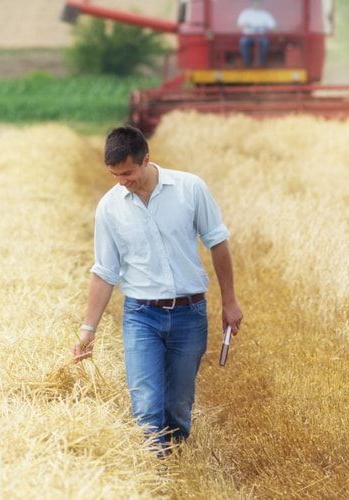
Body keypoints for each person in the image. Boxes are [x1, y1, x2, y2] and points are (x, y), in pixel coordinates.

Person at [72, 125, 243, 453]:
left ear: (147, 160)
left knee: (178, 407)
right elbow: (104, 272)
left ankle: (176, 461)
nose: (122, 181)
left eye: (128, 173)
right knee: (147, 407)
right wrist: (87, 330)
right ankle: (155, 470)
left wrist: (229, 302)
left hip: (189, 315)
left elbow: (217, 243)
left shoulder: (190, 189)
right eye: (114, 175)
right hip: (141, 316)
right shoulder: (109, 207)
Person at [238, 0, 276, 67]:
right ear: (252, 3)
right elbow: (240, 24)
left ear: (261, 4)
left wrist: (270, 29)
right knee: (243, 42)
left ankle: (261, 63)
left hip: (261, 36)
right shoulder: (246, 13)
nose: (257, 4)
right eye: (255, 2)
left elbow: (272, 26)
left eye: (259, 3)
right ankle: (247, 63)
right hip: (248, 36)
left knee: (265, 42)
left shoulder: (266, 14)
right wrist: (247, 25)